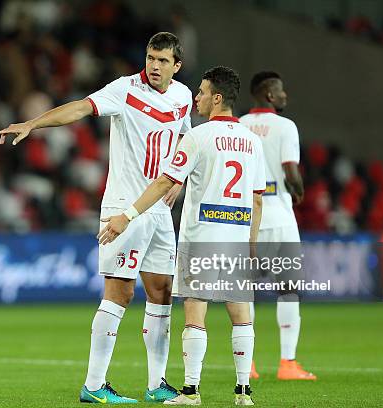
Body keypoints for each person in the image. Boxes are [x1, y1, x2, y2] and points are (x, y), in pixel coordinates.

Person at [0, 32, 193, 403]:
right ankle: (93, 384)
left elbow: (184, 140)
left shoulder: (183, 97)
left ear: (176, 66)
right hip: (124, 206)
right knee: (119, 293)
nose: (154, 65)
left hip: (160, 211)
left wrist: (177, 183)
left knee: (162, 293)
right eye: (151, 57)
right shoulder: (125, 89)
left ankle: (156, 385)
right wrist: (32, 124)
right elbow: (79, 108)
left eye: (163, 60)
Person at [98, 66, 266, 406]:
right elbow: (258, 198)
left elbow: (162, 182)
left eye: (202, 92)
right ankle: (243, 393)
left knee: (195, 315)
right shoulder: (252, 141)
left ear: (217, 98)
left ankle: (190, 391)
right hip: (236, 236)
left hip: (202, 235)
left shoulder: (198, 136)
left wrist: (126, 215)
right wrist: (251, 244)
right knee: (241, 316)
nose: (197, 97)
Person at [239, 71, 316, 380]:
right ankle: (287, 364)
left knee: (246, 291)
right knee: (288, 290)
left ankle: (249, 365)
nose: (286, 96)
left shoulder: (239, 125)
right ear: (269, 95)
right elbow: (291, 171)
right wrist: (298, 191)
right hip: (279, 216)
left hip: (247, 217)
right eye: (281, 91)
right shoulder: (286, 126)